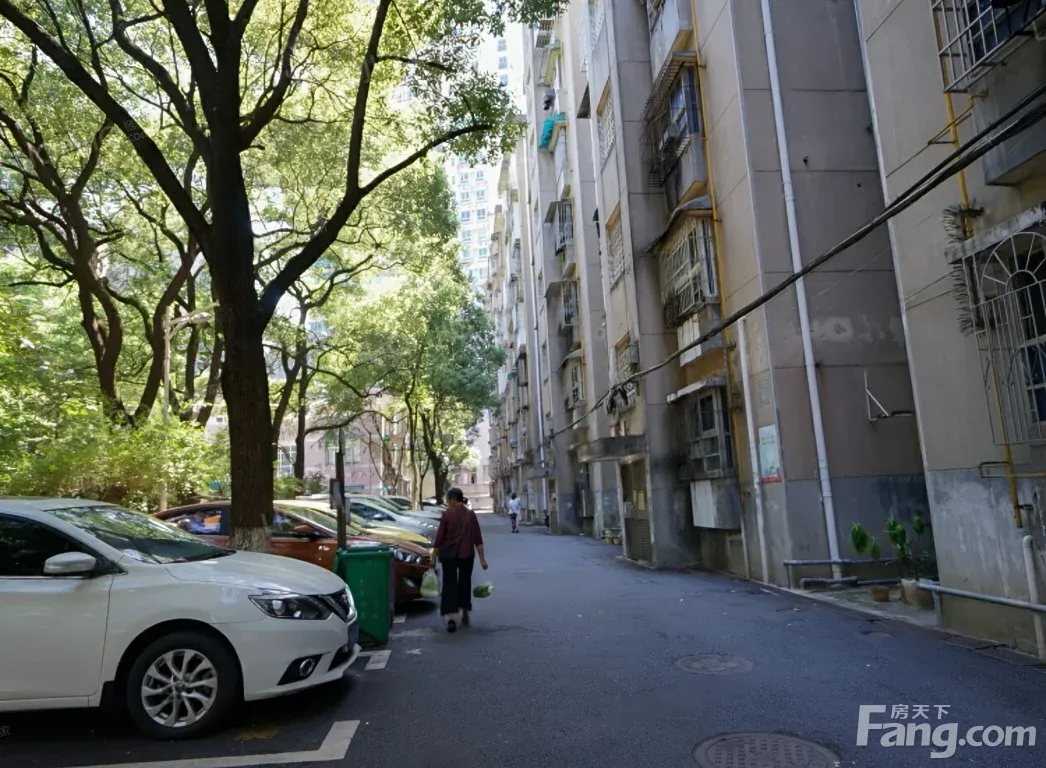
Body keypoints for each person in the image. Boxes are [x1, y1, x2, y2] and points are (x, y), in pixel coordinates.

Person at [432, 487, 487, 633]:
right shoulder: (470, 514)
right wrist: (482, 560)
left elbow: (439, 538)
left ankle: (450, 617)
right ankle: (464, 611)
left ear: (452, 499)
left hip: (449, 556)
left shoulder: (447, 514)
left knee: (449, 584)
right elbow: (478, 539)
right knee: (465, 582)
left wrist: (433, 557)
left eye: (448, 499)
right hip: (466, 554)